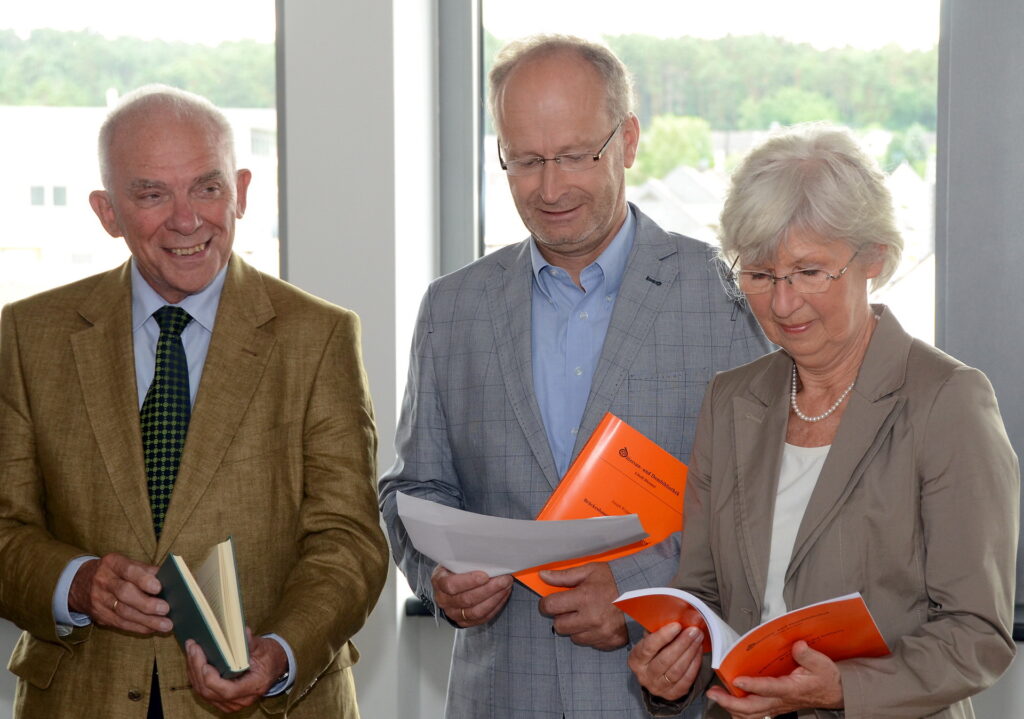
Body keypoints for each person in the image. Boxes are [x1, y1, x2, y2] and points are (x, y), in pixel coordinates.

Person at [379, 35, 771, 719]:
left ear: (628, 140)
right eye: (525, 160)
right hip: (501, 692)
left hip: (666, 694)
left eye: (573, 156)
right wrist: (437, 576)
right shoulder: (452, 307)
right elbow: (414, 488)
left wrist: (638, 591)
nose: (549, 187)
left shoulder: (724, 293)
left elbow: (763, 504)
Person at [0, 85, 389, 718]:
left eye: (207, 188)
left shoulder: (318, 336)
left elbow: (350, 539)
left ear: (241, 189)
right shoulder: (28, 334)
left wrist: (281, 651)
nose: (188, 219)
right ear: (107, 212)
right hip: (82, 699)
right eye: (153, 194)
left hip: (270, 703)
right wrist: (76, 582)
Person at [627, 123, 1019, 719]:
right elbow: (703, 595)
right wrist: (669, 667)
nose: (783, 304)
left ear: (875, 262)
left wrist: (843, 689)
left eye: (810, 272)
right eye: (758, 275)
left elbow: (976, 635)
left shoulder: (948, 401)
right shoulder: (731, 401)